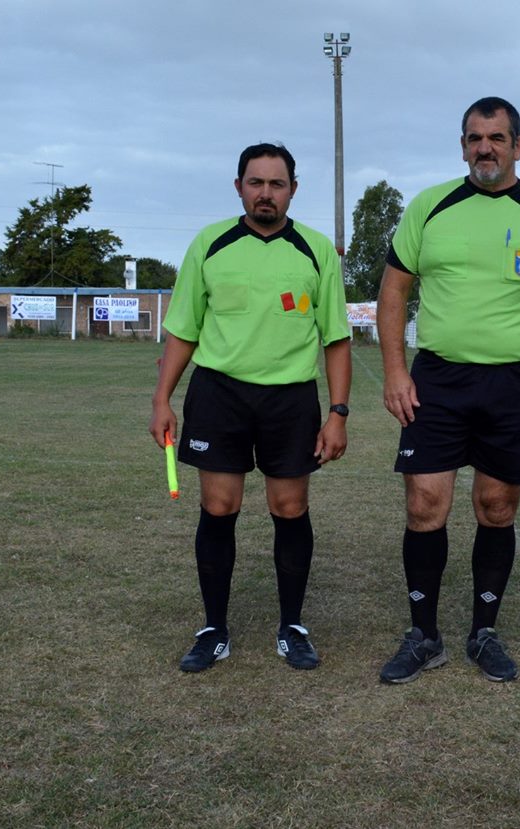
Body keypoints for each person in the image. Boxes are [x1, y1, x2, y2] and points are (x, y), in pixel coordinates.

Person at [376, 96, 520, 684]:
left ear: (519, 146)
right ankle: (424, 635)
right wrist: (396, 371)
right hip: (437, 378)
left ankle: (483, 631)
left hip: (513, 382)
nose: (484, 148)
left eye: (496, 137)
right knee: (425, 505)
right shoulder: (430, 206)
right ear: (463, 145)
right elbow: (393, 292)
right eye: (474, 138)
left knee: (497, 506)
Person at [149, 143, 351, 674]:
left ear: (293, 190)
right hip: (220, 393)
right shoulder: (210, 244)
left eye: (276, 183)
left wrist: (338, 412)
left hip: (290, 398)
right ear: (238, 186)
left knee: (290, 509)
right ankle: (214, 628)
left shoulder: (316, 251)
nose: (266, 193)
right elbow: (182, 330)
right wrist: (161, 399)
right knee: (218, 508)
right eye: (256, 182)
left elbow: (335, 339)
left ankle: (292, 626)